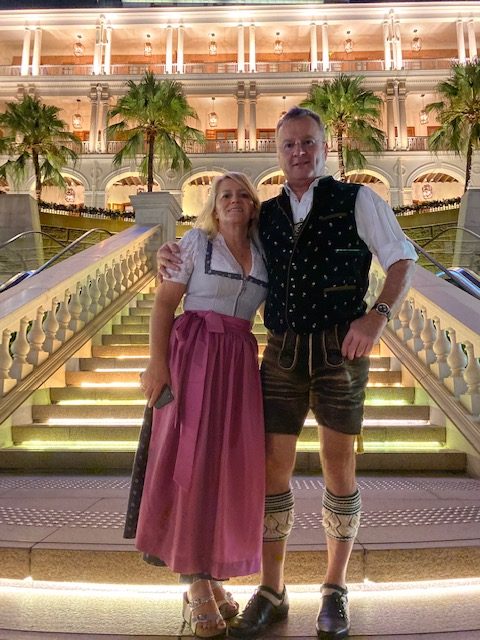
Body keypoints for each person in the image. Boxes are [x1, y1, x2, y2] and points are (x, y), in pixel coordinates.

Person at [157, 107, 417, 640]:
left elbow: (401, 259)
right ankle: (272, 589)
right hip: (281, 351)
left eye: (308, 142)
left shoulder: (359, 199)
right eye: (289, 145)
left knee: (339, 469)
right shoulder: (265, 215)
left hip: (341, 349)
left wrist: (377, 316)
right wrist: (170, 250)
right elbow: (218, 233)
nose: (299, 152)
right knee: (272, 470)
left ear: (325, 147)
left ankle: (334, 587)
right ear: (278, 153)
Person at [124, 172, 268, 638]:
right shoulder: (193, 243)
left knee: (224, 470)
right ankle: (196, 584)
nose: (234, 201)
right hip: (194, 357)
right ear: (213, 204)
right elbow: (164, 305)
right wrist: (157, 364)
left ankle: (210, 573)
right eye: (225, 195)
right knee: (191, 464)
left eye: (242, 194)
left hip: (238, 364)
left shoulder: (264, 251)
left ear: (253, 204)